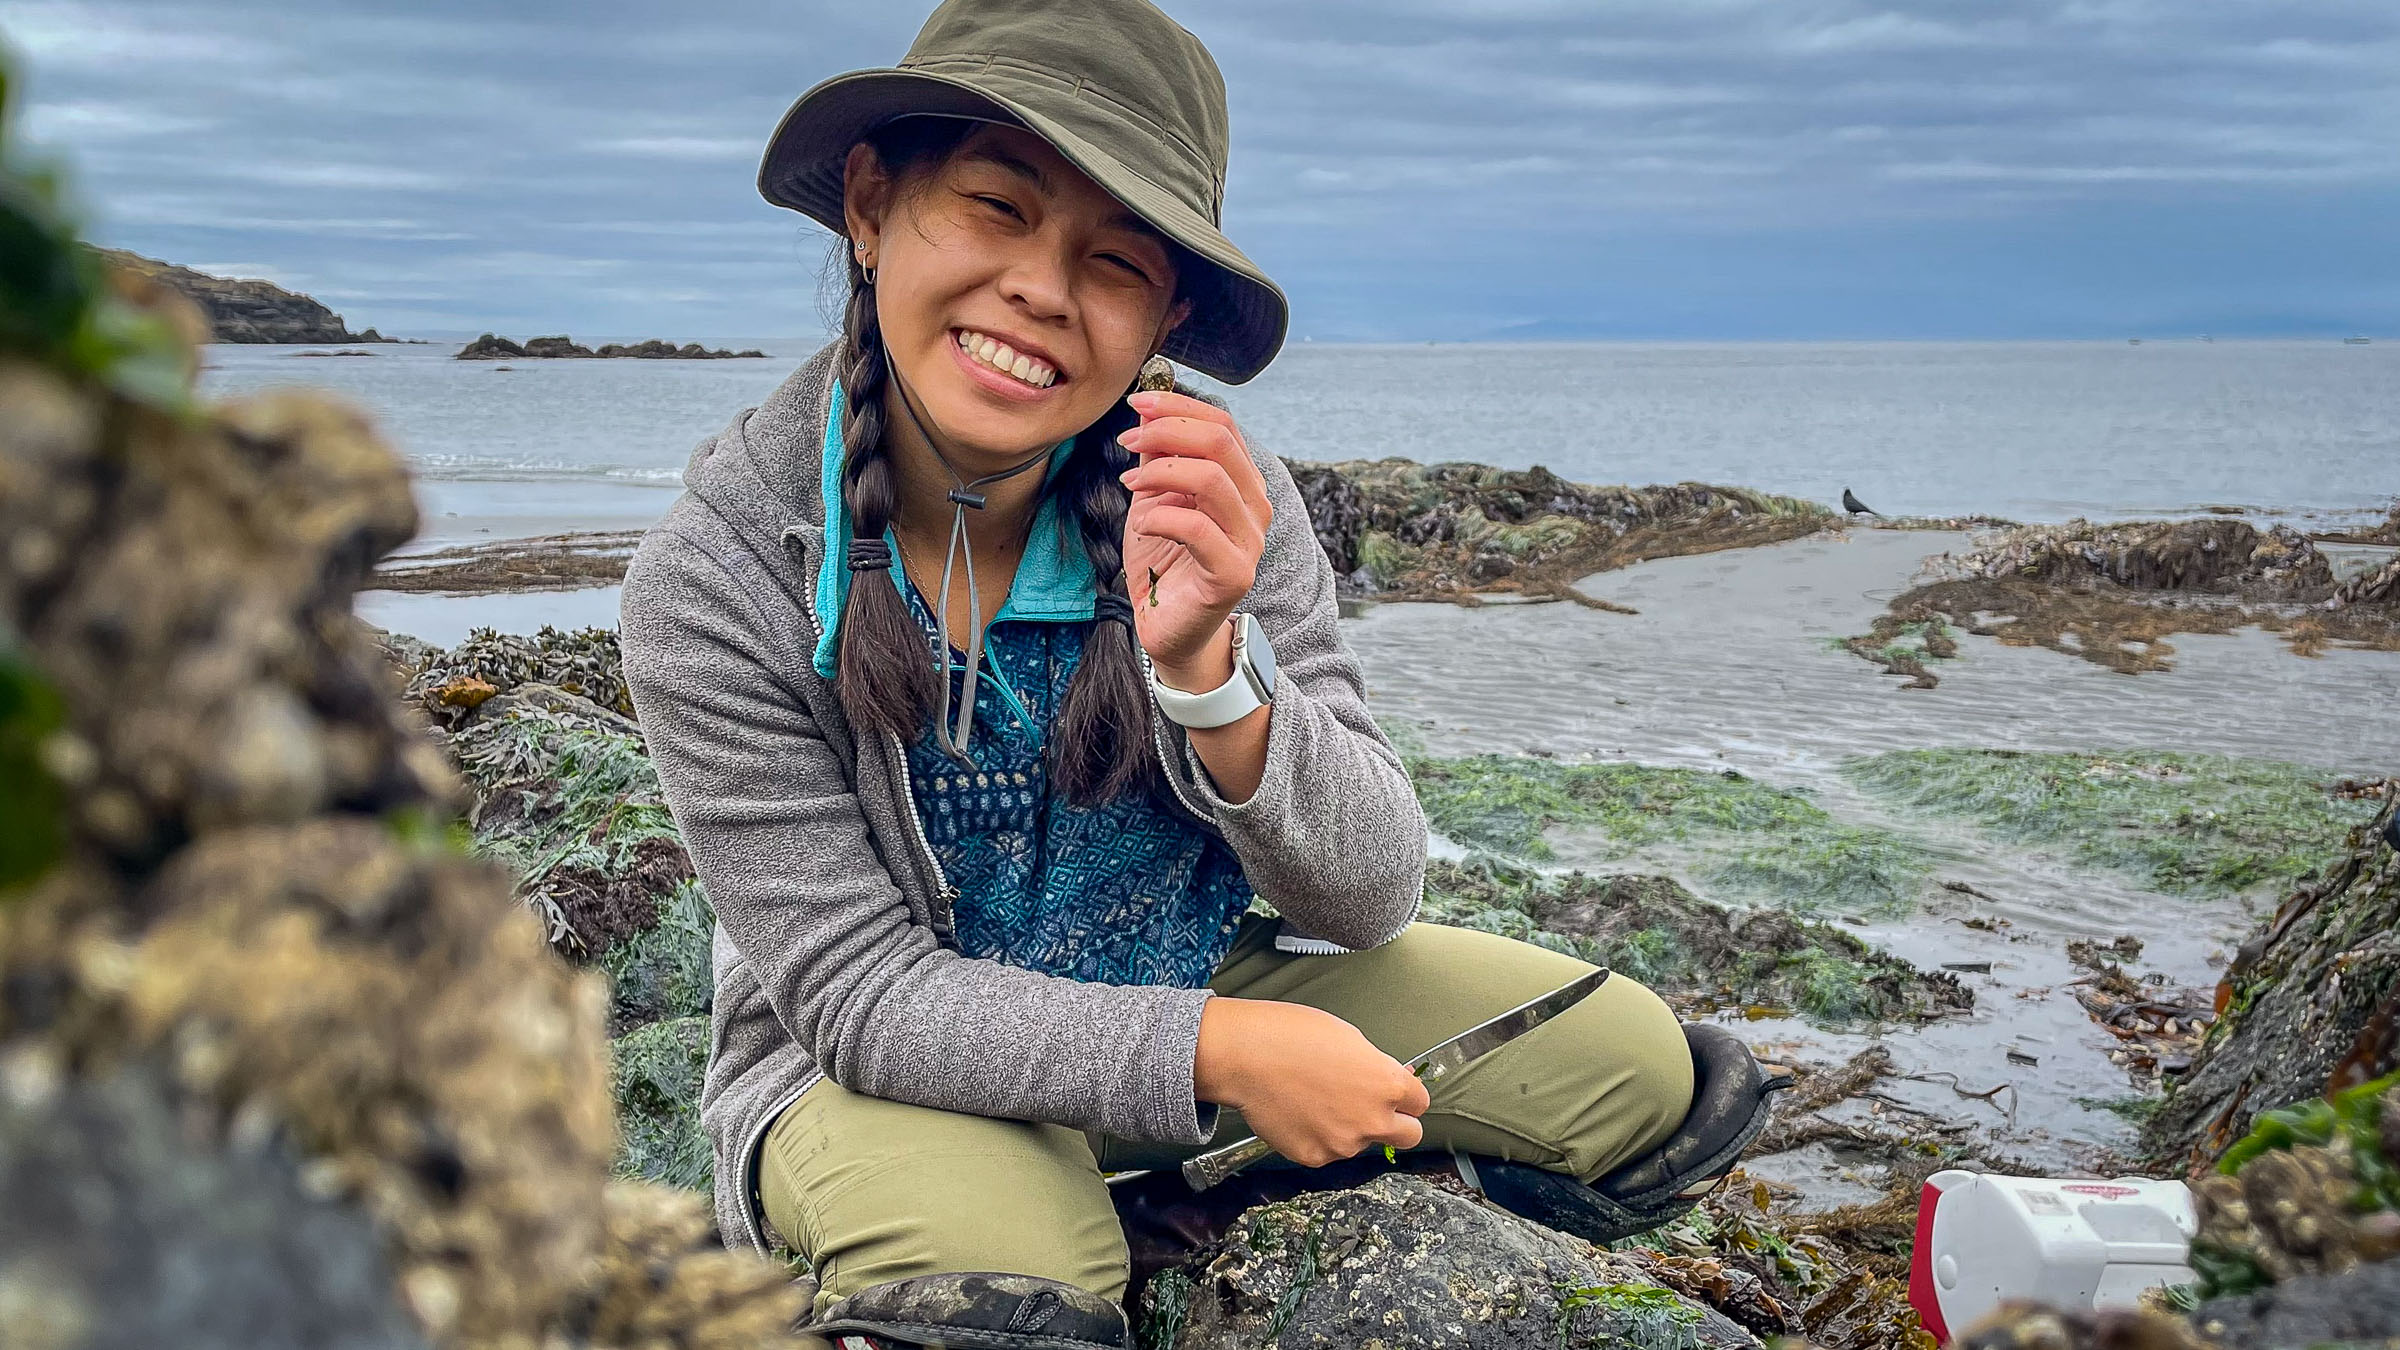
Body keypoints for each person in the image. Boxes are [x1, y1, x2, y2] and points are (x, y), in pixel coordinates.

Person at [616, 0, 1699, 1343]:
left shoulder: (1218, 501)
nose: (1042, 291)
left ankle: (1168, 1182)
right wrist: (1220, 1054)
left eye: (1114, 262)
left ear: (1165, 313)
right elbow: (859, 996)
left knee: (1644, 1074)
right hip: (887, 1073)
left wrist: (1213, 674)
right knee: (1015, 1286)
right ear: (870, 202)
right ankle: (1102, 1198)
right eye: (997, 208)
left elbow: (1369, 893)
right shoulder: (717, 577)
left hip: (1193, 973)